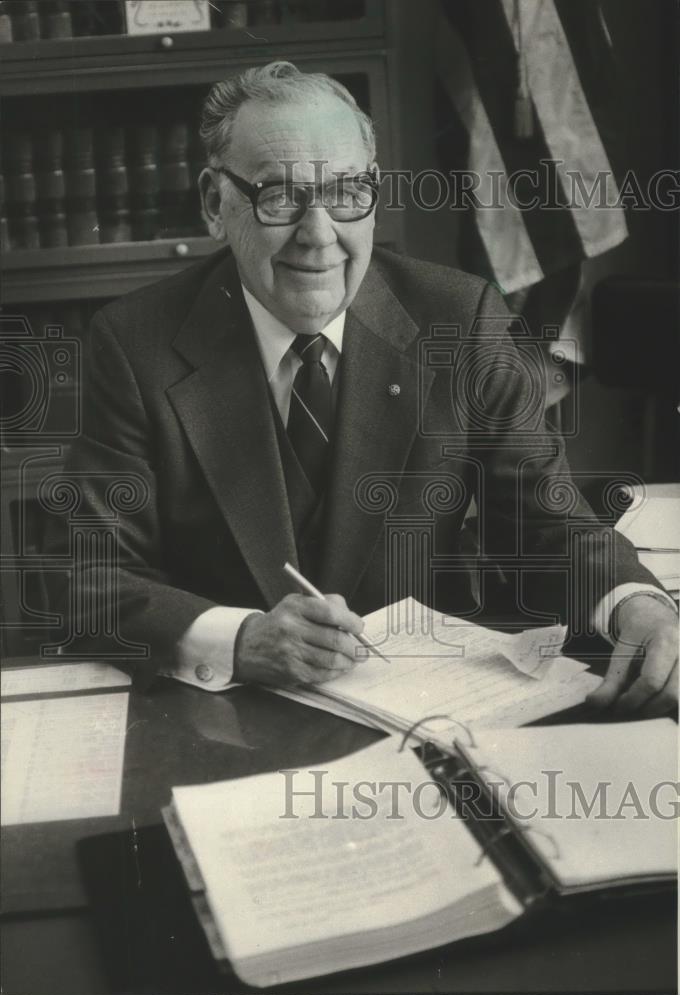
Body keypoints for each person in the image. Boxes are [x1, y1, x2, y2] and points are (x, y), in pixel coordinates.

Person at [48, 61, 678, 716]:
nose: (319, 235)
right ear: (215, 204)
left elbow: (550, 524)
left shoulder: (460, 321)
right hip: (232, 716)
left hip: (432, 713)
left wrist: (640, 607)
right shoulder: (135, 343)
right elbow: (92, 576)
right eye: (280, 196)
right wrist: (238, 638)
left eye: (347, 191)